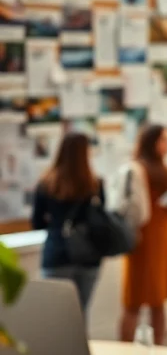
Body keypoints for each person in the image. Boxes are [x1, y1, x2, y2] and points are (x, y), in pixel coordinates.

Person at [120, 125, 167, 346]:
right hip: (141, 238)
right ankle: (125, 349)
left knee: (158, 301)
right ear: (152, 142)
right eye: (163, 140)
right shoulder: (136, 171)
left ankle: (158, 347)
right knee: (134, 302)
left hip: (160, 239)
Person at [31, 132, 104, 317]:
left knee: (56, 318)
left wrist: (56, 223)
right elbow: (100, 218)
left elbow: (37, 222)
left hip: (57, 251)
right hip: (89, 254)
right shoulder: (95, 184)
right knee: (80, 315)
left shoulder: (46, 183)